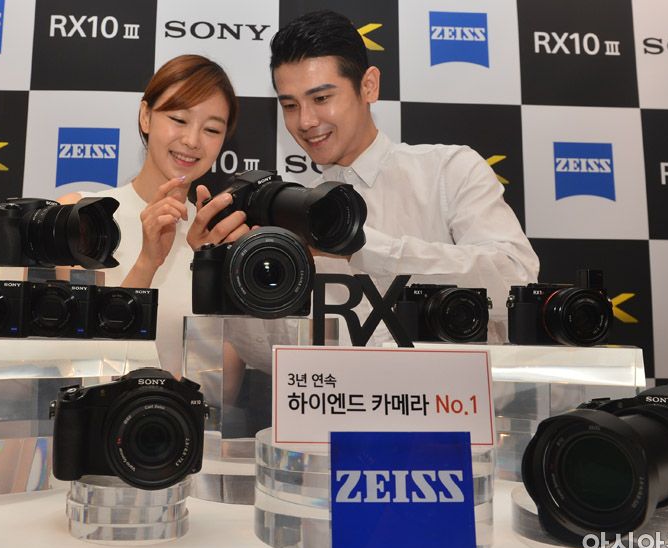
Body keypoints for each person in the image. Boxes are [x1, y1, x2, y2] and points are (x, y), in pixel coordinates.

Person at [268, 10, 540, 344]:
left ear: (368, 86)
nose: (305, 121)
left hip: (459, 380)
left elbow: (517, 284)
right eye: (290, 106)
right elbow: (280, 353)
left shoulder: (449, 170)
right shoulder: (293, 217)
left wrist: (358, 246)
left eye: (321, 98)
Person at [60, 54, 249, 377]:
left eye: (211, 129)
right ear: (146, 116)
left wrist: (216, 272)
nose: (192, 141)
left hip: (190, 410)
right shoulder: (83, 215)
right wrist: (147, 262)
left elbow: (224, 387)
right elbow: (81, 362)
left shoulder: (220, 236)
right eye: (179, 119)